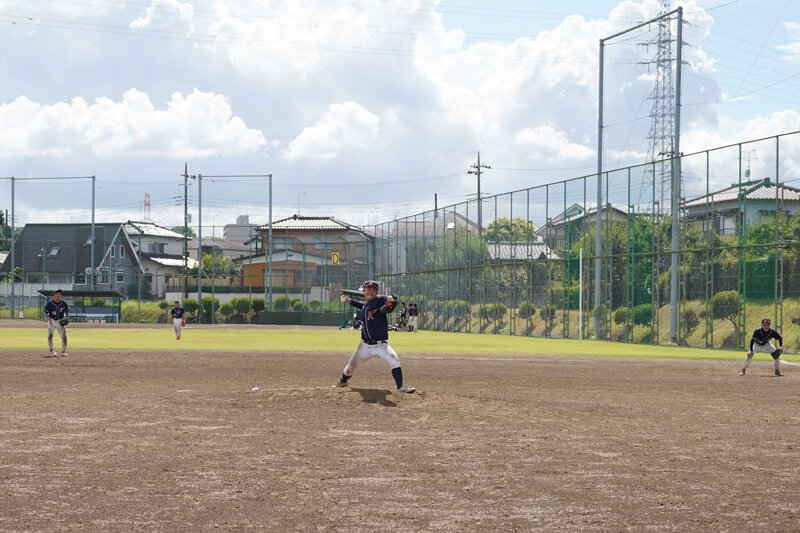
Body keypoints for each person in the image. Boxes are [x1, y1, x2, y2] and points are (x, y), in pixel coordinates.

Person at [335, 280, 416, 394]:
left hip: (381, 345)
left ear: (377, 293)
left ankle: (400, 387)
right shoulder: (366, 307)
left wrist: (390, 298)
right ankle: (343, 381)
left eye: (374, 290)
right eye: (368, 289)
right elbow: (361, 305)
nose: (371, 292)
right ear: (363, 291)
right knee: (349, 369)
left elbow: (392, 297)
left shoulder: (378, 301)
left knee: (394, 360)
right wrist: (349, 301)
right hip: (364, 346)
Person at [44, 289, 69, 357]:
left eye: (59, 294)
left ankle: (63, 351)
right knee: (50, 336)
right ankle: (52, 351)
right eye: (57, 294)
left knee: (64, 336)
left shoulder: (63, 303)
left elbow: (66, 311)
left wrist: (67, 318)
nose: (59, 295)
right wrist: (49, 320)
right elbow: (45, 312)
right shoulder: (50, 303)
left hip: (60, 321)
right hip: (52, 321)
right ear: (54, 295)